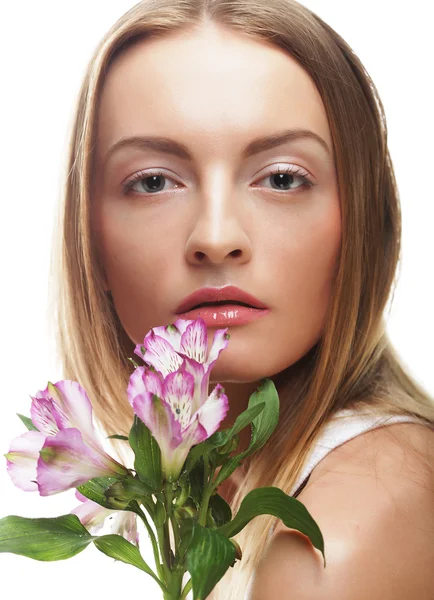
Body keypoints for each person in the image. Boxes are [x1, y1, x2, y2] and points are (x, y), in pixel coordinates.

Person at [48, 0, 434, 598]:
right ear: (88, 241)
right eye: (153, 181)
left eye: (282, 178)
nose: (216, 237)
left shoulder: (346, 528)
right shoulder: (234, 493)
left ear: (365, 221)